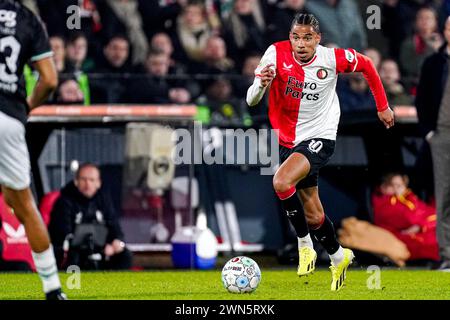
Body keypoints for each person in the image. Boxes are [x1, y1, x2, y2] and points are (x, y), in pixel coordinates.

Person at [246, 13, 394, 291]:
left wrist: (382, 106)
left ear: (317, 39)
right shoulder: (275, 53)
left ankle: (305, 246)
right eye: (295, 37)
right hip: (288, 139)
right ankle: (339, 255)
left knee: (280, 181)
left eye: (307, 38)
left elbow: (368, 65)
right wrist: (261, 84)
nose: (300, 44)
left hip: (320, 135)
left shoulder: (331, 58)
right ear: (290, 37)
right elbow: (251, 100)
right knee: (314, 214)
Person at [0, 0, 66, 300]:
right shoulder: (27, 18)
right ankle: (53, 289)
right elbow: (50, 79)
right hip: (9, 116)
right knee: (25, 205)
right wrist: (25, 107)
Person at [49, 163, 132, 271]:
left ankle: (115, 285)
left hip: (101, 249)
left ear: (98, 183)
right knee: (73, 257)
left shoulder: (104, 201)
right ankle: (72, 285)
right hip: (73, 250)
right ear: (76, 181)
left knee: (125, 255)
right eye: (84, 179)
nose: (87, 184)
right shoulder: (65, 201)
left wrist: (116, 244)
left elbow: (115, 228)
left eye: (92, 180)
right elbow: (60, 234)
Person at [415, 16, 450, 271]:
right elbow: (422, 101)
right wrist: (429, 133)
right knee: (444, 199)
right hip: (441, 135)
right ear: (444, 31)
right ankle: (447, 256)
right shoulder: (432, 64)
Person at [372, 173, 439, 262]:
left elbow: (428, 212)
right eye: (393, 185)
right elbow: (408, 218)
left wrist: (421, 225)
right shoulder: (384, 204)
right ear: (383, 187)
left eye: (400, 185)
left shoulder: (406, 198)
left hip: (418, 231)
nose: (397, 189)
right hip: (400, 237)